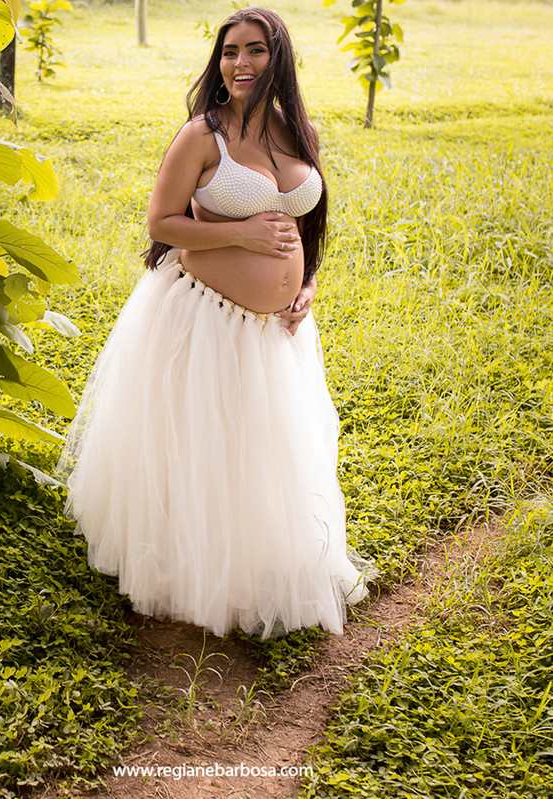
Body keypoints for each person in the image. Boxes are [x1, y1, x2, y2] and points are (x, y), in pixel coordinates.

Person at [56, 7, 374, 639]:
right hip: (203, 318)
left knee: (260, 450)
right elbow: (162, 223)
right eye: (230, 52)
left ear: (278, 59)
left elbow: (304, 221)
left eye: (255, 50)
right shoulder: (204, 135)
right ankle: (188, 572)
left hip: (274, 332)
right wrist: (242, 234)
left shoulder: (296, 132)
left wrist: (305, 283)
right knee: (200, 447)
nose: (240, 63)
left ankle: (256, 565)